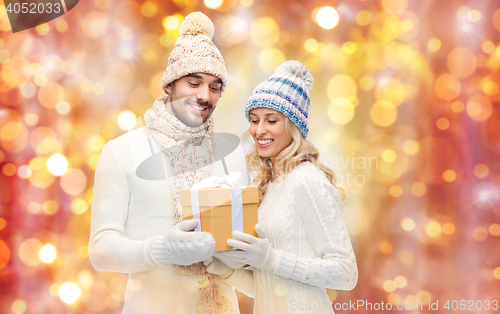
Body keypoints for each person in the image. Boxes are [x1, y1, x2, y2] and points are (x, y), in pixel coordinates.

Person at [89, 12, 249, 314]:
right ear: (170, 85)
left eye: (215, 87)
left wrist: (251, 252)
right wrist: (163, 250)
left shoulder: (232, 153)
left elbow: (243, 254)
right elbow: (100, 251)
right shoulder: (121, 151)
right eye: (194, 82)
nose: (205, 95)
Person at [204, 61, 358, 313]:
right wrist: (226, 269)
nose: (259, 130)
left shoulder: (307, 180)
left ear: (292, 125)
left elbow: (345, 273)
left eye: (271, 120)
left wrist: (271, 258)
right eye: (254, 120)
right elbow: (272, 285)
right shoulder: (266, 185)